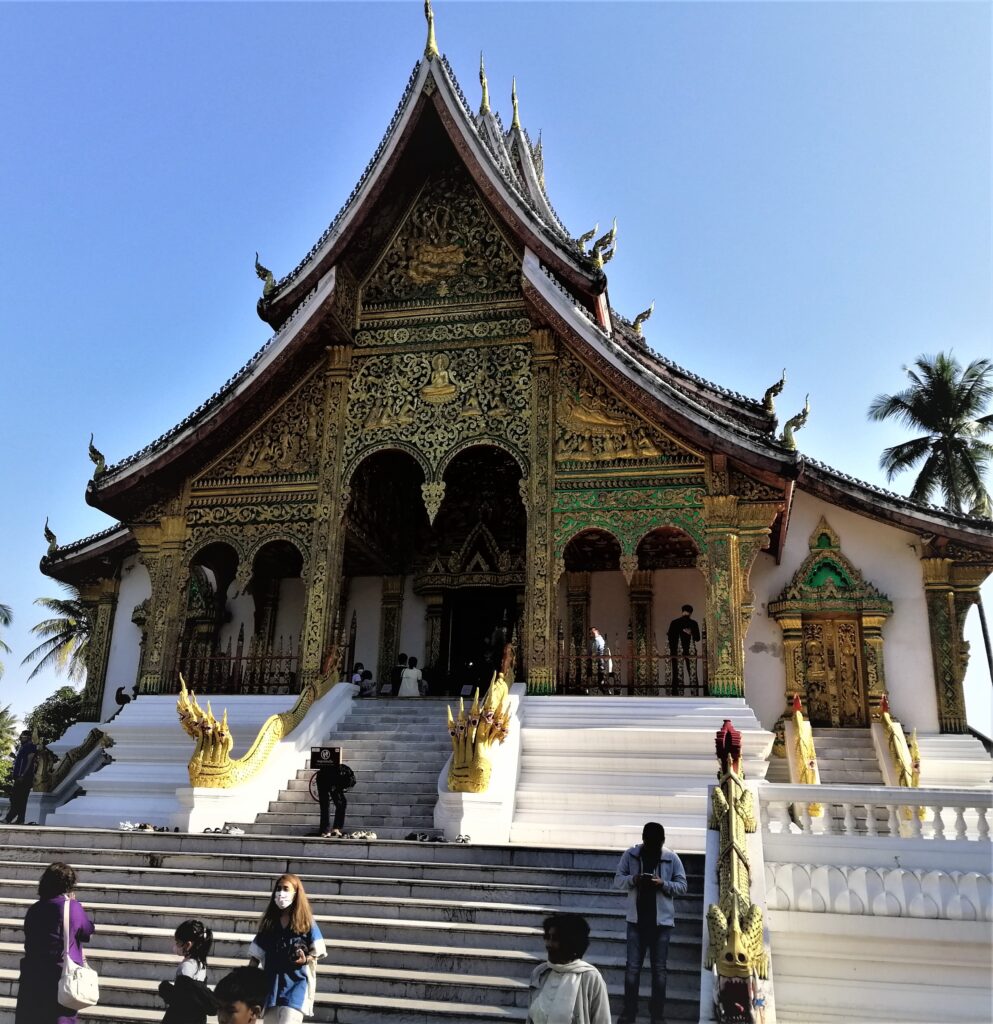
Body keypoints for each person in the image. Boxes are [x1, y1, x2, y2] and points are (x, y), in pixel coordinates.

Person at [614, 822, 688, 1024]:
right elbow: (618, 880)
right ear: (643, 840)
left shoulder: (671, 858)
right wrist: (634, 879)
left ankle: (657, 1015)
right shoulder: (631, 855)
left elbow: (682, 886)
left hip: (661, 923)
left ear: (662, 842)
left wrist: (663, 884)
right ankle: (630, 1012)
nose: (652, 848)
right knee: (632, 970)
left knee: (659, 973)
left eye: (656, 845)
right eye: (649, 844)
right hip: (636, 921)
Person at [15, 861, 96, 1024]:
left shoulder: (35, 908)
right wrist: (75, 904)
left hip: (31, 978)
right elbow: (87, 931)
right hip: (57, 979)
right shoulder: (71, 907)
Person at [248, 874, 326, 1023]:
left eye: (286, 889)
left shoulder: (306, 922)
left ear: (296, 893)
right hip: (271, 988)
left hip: (295, 987)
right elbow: (255, 956)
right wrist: (244, 979)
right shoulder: (270, 924)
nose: (281, 893)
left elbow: (317, 952)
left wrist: (306, 959)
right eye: (278, 888)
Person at [526, 913, 611, 1024]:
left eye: (555, 939)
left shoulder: (590, 978)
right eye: (547, 937)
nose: (549, 944)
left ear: (570, 943)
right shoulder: (539, 974)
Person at [158, 919, 216, 1024]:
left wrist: (165, 989)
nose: (175, 946)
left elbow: (181, 998)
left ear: (188, 945)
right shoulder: (201, 964)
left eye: (178, 942)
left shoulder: (186, 967)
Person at [313, 748, 355, 839]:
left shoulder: (345, 773)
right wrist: (336, 788)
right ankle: (327, 830)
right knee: (327, 804)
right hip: (324, 779)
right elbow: (337, 787)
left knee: (340, 803)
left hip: (329, 778)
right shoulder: (343, 777)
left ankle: (333, 828)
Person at [4, 729, 37, 825]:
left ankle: (8, 818)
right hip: (19, 777)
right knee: (19, 799)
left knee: (16, 798)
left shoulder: (30, 747)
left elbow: (29, 761)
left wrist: (23, 774)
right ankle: (20, 819)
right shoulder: (23, 747)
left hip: (24, 777)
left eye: (22, 737)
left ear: (28, 738)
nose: (20, 739)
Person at [666, 605, 700, 692]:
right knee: (692, 672)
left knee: (676, 672)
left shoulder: (674, 622)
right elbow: (698, 638)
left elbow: (669, 637)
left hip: (676, 651)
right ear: (691, 613)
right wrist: (690, 633)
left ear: (682, 611)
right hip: (690, 650)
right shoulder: (693, 623)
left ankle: (675, 693)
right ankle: (694, 692)